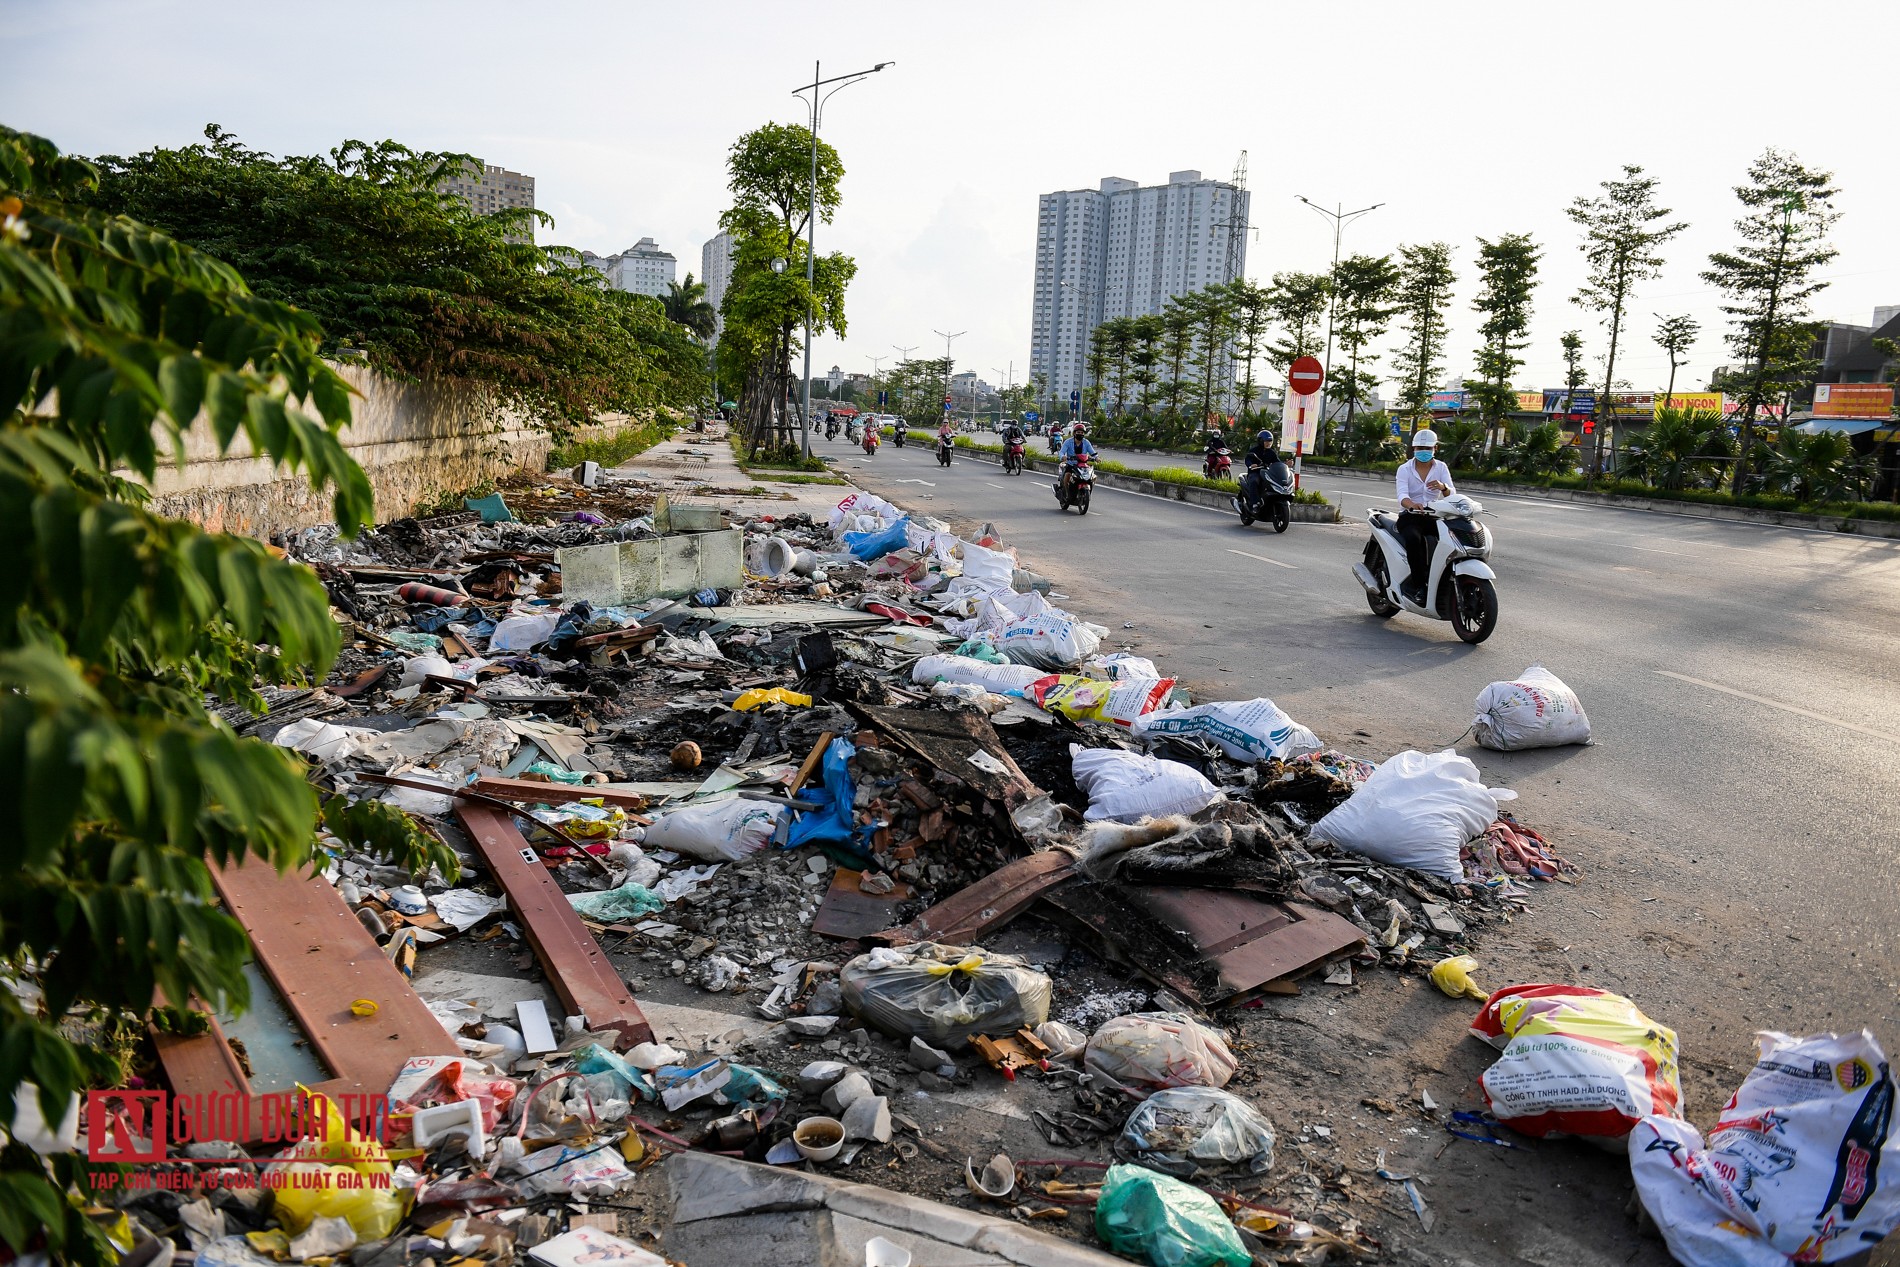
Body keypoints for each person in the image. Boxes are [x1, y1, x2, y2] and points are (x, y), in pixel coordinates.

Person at [1395, 428, 1455, 603]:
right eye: (1420, 448)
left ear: (1435, 449)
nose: (1423, 451)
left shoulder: (1441, 467)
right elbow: (1402, 496)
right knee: (1415, 540)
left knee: (1450, 540)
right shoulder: (1404, 469)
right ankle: (1419, 586)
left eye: (1427, 448)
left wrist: (1443, 487)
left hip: (1433, 516)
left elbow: (1452, 496)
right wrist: (1412, 505)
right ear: (1414, 449)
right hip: (1410, 516)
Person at [1058, 421, 1096, 498]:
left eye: (1082, 432)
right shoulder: (1068, 442)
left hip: (1083, 465)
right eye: (1078, 432)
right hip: (1071, 464)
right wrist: (1063, 457)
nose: (1080, 434)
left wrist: (1097, 458)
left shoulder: (1086, 442)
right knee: (1067, 475)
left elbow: (1092, 452)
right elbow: (1061, 452)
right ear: (1074, 433)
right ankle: (1066, 493)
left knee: (1093, 477)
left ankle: (1087, 493)